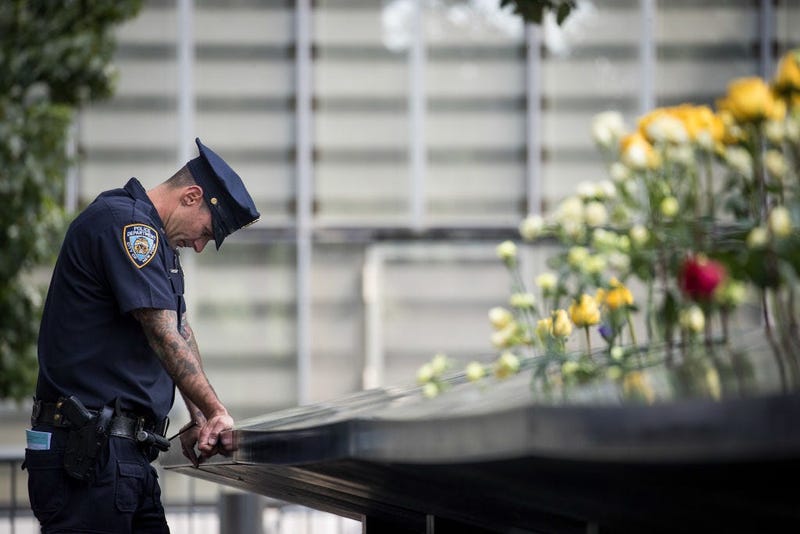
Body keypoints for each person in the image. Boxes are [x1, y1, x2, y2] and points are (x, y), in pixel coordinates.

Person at [24, 138, 260, 533]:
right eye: (207, 231)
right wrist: (217, 412)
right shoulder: (127, 226)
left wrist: (201, 416)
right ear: (191, 195)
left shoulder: (157, 244)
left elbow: (181, 330)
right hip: (90, 460)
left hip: (121, 458)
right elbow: (163, 333)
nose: (200, 246)